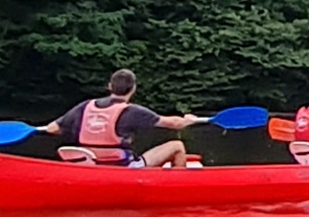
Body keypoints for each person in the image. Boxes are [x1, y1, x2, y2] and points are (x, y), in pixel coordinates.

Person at [52, 69, 207, 168]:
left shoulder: (85, 106)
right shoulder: (133, 111)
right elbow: (174, 123)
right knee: (177, 146)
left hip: (90, 164)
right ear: (133, 89)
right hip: (122, 167)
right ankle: (176, 187)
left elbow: (54, 128)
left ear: (110, 86)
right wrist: (189, 120)